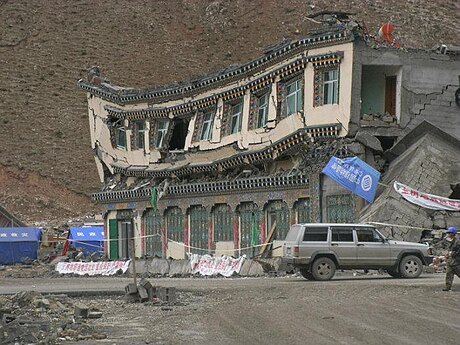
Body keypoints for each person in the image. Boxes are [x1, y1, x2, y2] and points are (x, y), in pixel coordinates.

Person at [443, 226, 460, 291]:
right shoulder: (451, 241)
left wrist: (451, 254)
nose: (448, 234)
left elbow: (458, 252)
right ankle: (448, 287)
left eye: (450, 233)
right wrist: (448, 255)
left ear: (453, 233)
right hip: (451, 262)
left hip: (456, 262)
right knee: (448, 275)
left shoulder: (458, 242)